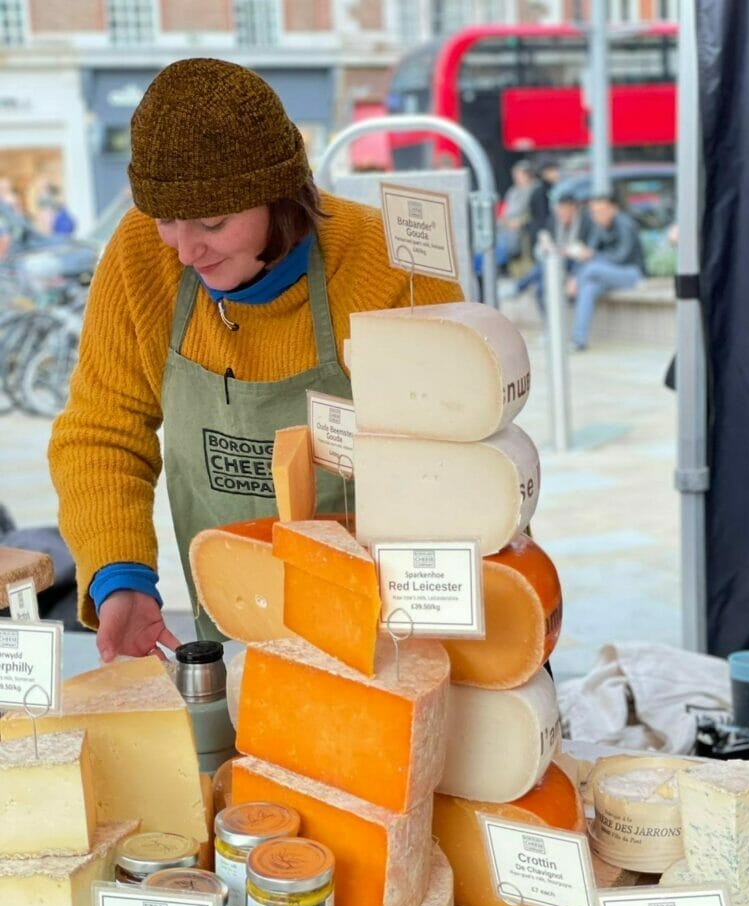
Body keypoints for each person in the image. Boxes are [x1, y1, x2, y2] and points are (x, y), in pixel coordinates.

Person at [48, 58, 462, 663]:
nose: (187, 250)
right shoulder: (141, 257)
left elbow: (455, 462)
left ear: (279, 198)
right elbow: (101, 429)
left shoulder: (384, 264)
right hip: (237, 638)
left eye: (212, 223)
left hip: (393, 634)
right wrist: (119, 575)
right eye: (167, 219)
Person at [566, 194, 644, 352]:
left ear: (613, 209)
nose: (598, 215)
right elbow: (587, 255)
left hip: (631, 274)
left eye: (602, 211)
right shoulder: (598, 227)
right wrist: (574, 275)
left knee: (592, 269)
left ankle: (570, 295)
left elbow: (622, 257)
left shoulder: (625, 224)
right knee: (589, 288)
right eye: (594, 212)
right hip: (604, 274)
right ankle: (578, 339)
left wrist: (592, 257)